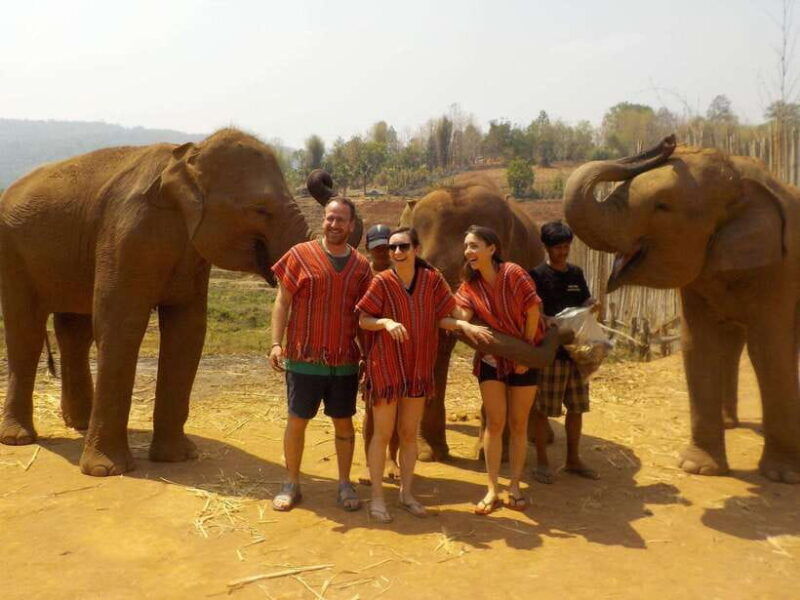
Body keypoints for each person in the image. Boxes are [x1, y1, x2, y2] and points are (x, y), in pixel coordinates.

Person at [357, 227, 491, 523]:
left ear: (416, 249)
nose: (396, 253)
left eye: (403, 246)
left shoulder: (431, 281)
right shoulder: (381, 282)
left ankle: (406, 494)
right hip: (387, 368)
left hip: (418, 369)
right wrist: (386, 323)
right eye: (392, 248)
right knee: (382, 434)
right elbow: (364, 319)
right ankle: (378, 497)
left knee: (407, 434)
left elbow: (444, 316)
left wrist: (464, 326)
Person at [269, 196, 372, 512]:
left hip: (343, 361)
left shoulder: (361, 267)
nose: (334, 224)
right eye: (330, 218)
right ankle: (292, 483)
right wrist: (276, 343)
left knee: (344, 423)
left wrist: (367, 356)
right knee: (297, 420)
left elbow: (365, 316)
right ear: (322, 220)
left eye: (341, 219)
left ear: (351, 225)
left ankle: (344, 483)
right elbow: (283, 302)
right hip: (303, 357)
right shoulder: (300, 256)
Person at [455, 225, 545, 515]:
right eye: (466, 246)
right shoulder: (470, 286)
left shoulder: (513, 273)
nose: (468, 251)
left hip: (522, 356)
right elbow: (461, 315)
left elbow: (532, 311)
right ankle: (492, 487)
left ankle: (515, 484)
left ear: (491, 249)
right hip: (492, 359)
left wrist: (525, 353)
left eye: (474, 245)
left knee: (519, 424)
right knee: (495, 423)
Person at [529, 221, 600, 484]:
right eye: (558, 247)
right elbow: (531, 312)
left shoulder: (576, 274)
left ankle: (573, 460)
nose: (563, 251)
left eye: (566, 246)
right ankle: (542, 462)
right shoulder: (535, 276)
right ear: (546, 247)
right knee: (542, 410)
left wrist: (591, 304)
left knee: (577, 408)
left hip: (577, 353)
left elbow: (584, 300)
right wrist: (545, 319)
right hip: (551, 354)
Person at [358, 224, 401, 486]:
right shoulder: (363, 277)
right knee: (371, 410)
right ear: (369, 250)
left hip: (397, 349)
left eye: (387, 248)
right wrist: (360, 352)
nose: (383, 253)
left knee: (395, 410)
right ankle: (368, 461)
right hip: (370, 350)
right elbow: (356, 318)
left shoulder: (403, 275)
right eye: (378, 249)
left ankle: (392, 458)